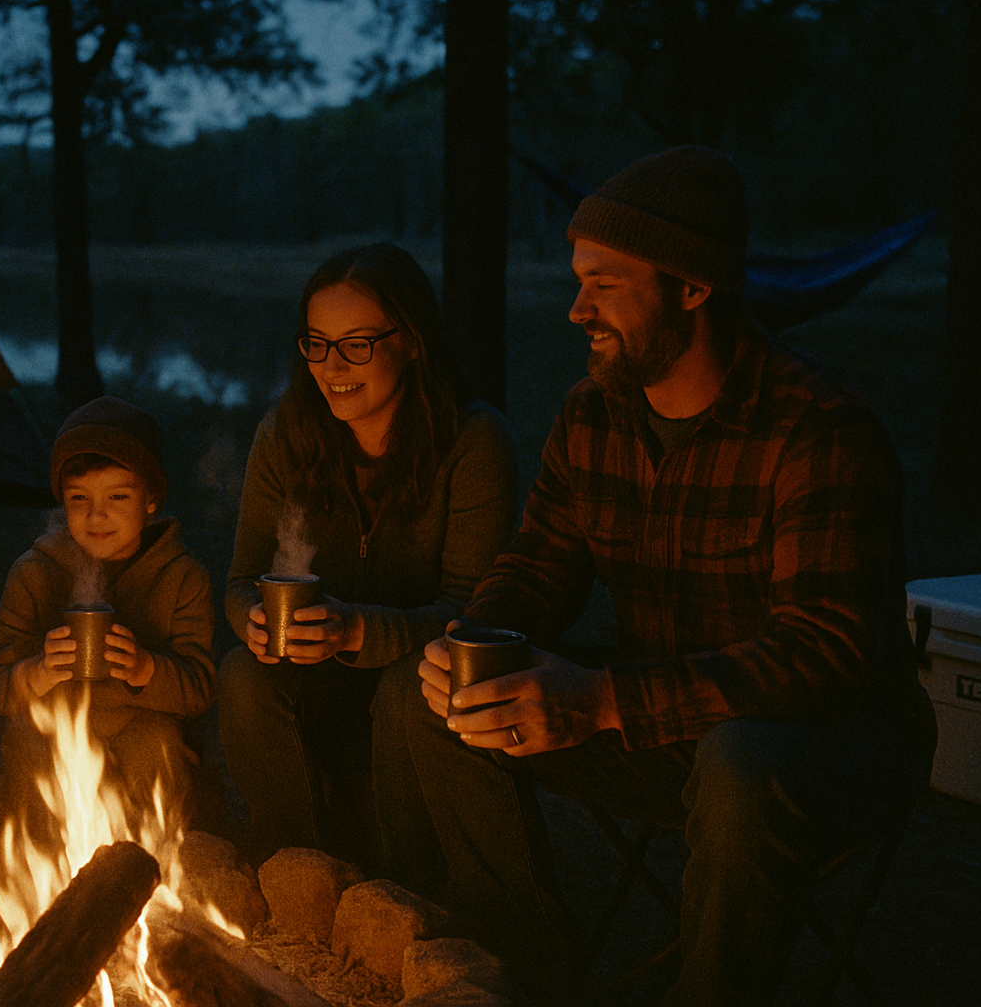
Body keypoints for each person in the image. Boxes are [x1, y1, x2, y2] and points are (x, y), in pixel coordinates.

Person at [376, 146, 937, 1005]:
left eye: (604, 283)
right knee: (437, 710)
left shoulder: (819, 429)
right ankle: (524, 966)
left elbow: (825, 656)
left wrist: (599, 700)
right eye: (577, 280)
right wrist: (475, 641)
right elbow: (540, 564)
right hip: (661, 724)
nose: (575, 309)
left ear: (693, 287)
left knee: (740, 761)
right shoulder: (592, 412)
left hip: (827, 746)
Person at [217, 242, 519, 870]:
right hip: (308, 678)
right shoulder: (287, 431)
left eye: (357, 343)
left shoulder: (470, 441)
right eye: (317, 343)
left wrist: (354, 628)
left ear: (411, 340)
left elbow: (473, 611)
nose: (332, 366)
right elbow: (243, 578)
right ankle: (292, 874)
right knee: (243, 675)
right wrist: (251, 616)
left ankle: (405, 899)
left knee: (404, 689)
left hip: (417, 690)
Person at [0, 396, 214, 832]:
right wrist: (39, 671)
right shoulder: (34, 573)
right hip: (59, 739)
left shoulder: (182, 576)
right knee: (29, 738)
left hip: (146, 746)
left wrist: (146, 668)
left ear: (151, 498)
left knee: (157, 740)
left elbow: (200, 689)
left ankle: (156, 868)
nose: (96, 515)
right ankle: (51, 875)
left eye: (118, 496)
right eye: (78, 498)